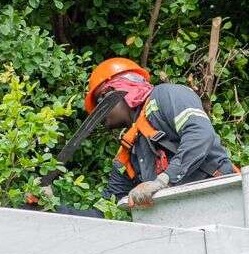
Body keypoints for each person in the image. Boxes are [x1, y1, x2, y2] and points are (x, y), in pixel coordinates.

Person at [83, 57, 235, 208]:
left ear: (119, 89)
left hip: (221, 198)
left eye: (99, 101)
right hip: (185, 217)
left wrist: (164, 180)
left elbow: (200, 133)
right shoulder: (128, 151)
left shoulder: (165, 96)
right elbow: (108, 208)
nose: (98, 114)